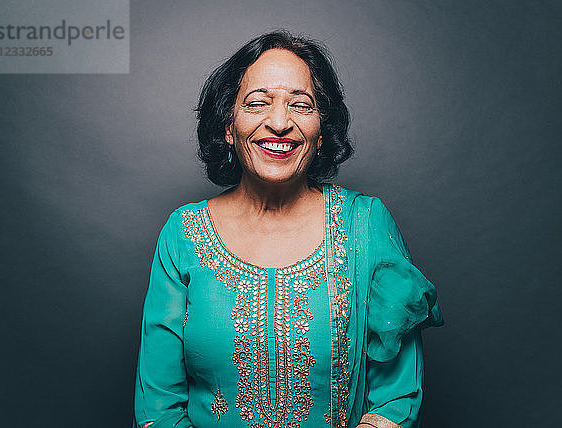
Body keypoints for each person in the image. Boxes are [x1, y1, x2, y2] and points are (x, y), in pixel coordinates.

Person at [133, 30, 443, 428]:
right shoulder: (183, 233)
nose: (280, 123)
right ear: (229, 125)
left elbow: (393, 400)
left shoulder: (365, 224)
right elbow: (158, 407)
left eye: (301, 105)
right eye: (258, 103)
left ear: (319, 132)